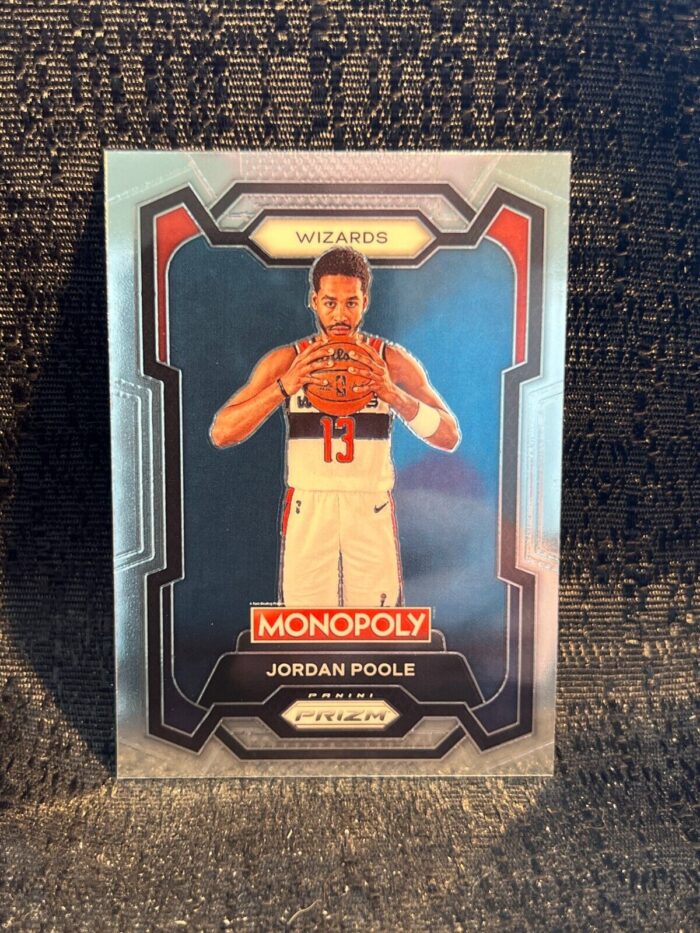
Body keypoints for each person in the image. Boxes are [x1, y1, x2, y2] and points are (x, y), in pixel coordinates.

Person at [210, 247, 460, 607]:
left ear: (365, 302)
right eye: (330, 303)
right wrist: (284, 387)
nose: (340, 314)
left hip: (369, 504)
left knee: (376, 625)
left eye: (351, 302)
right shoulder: (288, 360)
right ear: (314, 301)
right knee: (306, 625)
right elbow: (222, 432)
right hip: (310, 502)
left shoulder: (389, 360)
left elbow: (449, 436)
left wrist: (393, 395)